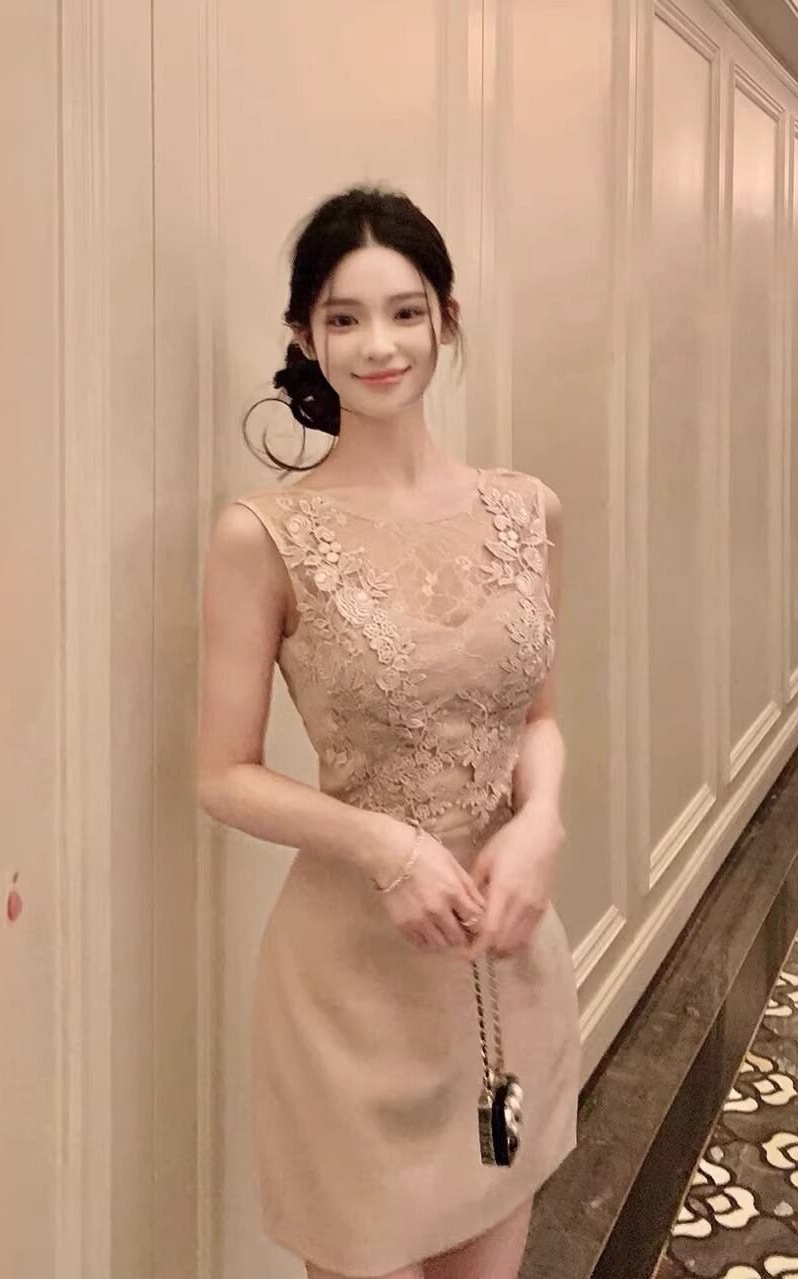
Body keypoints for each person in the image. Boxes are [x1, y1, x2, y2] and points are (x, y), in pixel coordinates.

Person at [196, 186, 580, 1279]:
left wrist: (541, 821)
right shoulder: (263, 533)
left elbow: (541, 717)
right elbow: (222, 773)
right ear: (304, 336)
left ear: (446, 318)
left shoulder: (527, 510)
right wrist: (388, 845)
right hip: (352, 984)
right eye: (345, 317)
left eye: (405, 312)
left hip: (507, 957)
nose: (379, 344)